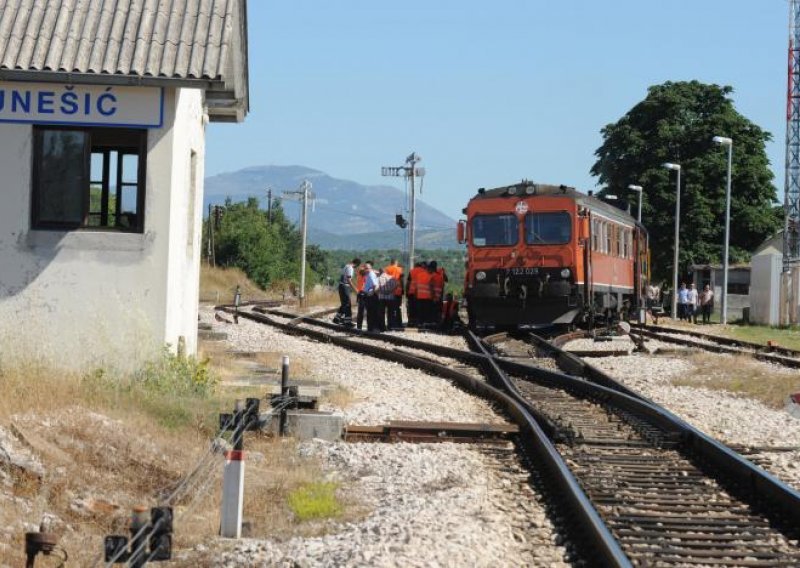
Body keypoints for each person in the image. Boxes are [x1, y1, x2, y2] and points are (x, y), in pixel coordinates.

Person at [335, 257, 360, 326]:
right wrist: (355, 290)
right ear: (357, 264)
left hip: (341, 286)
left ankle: (337, 318)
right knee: (348, 304)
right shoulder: (351, 268)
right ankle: (347, 321)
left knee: (344, 303)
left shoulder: (346, 266)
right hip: (345, 286)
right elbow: (349, 280)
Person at [383, 259, 404, 329]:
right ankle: (399, 324)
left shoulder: (387, 269)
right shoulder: (399, 269)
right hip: (398, 292)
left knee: (390, 309)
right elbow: (401, 280)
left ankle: (390, 325)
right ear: (396, 262)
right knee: (397, 308)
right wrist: (403, 291)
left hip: (389, 292)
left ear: (391, 263)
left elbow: (384, 279)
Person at [361, 261, 381, 332]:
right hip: (369, 295)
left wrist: (372, 293)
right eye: (365, 268)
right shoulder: (368, 274)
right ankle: (370, 328)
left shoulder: (371, 274)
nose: (365, 270)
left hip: (371, 296)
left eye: (367, 268)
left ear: (370, 268)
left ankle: (374, 328)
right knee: (369, 313)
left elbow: (375, 285)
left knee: (372, 312)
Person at [415, 262, 433, 327]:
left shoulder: (418, 275)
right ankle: (425, 324)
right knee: (426, 312)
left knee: (420, 311)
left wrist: (416, 295)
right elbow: (431, 287)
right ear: (428, 269)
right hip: (427, 297)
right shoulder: (430, 276)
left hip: (419, 296)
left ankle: (419, 323)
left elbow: (416, 286)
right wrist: (433, 296)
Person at [355, 264, 368, 330]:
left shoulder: (359, 275)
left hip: (361, 293)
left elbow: (358, 269)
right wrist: (364, 265)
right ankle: (359, 326)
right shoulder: (363, 276)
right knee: (361, 311)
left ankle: (359, 326)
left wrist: (363, 266)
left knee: (361, 311)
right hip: (362, 293)